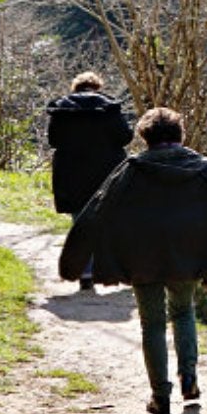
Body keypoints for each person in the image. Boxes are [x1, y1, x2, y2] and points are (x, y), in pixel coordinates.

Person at [59, 107, 207, 414]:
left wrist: (73, 263)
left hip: (141, 257)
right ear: (180, 135)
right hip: (187, 254)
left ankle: (160, 396)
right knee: (184, 312)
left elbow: (95, 212)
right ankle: (190, 380)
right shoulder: (204, 169)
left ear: (144, 138)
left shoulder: (130, 170)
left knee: (152, 323)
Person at [45, 72, 134, 292]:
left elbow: (53, 140)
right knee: (108, 221)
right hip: (107, 172)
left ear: (75, 89)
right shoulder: (110, 108)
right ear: (97, 87)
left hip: (71, 173)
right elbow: (126, 137)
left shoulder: (62, 110)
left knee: (80, 222)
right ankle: (110, 270)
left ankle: (85, 272)